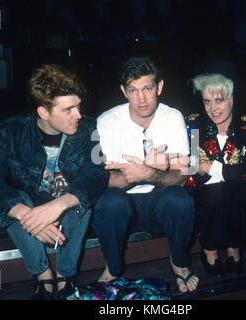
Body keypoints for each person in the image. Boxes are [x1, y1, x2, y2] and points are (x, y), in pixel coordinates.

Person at [0, 64, 108, 300]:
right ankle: (42, 275)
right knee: (14, 201)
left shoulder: (89, 128)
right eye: (68, 109)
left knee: (79, 197)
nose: (78, 114)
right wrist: (27, 216)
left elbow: (96, 174)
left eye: (78, 106)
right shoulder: (10, 130)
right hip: (30, 199)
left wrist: (57, 205)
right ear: (43, 112)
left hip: (68, 202)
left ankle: (64, 275)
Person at [94, 57, 199, 294]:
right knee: (110, 201)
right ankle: (112, 267)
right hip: (121, 205)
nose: (141, 98)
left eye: (147, 89)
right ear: (124, 91)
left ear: (159, 87)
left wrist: (146, 174)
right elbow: (101, 181)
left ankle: (180, 263)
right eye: (133, 90)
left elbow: (183, 177)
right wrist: (140, 174)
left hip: (156, 202)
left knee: (179, 199)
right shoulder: (106, 122)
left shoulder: (173, 117)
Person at [185, 73, 246, 276]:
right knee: (217, 191)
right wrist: (229, 174)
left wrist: (211, 167)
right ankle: (210, 247)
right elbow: (190, 169)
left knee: (242, 190)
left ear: (232, 98)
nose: (213, 108)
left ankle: (234, 245)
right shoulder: (194, 125)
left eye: (219, 100)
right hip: (203, 196)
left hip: (240, 195)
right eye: (207, 101)